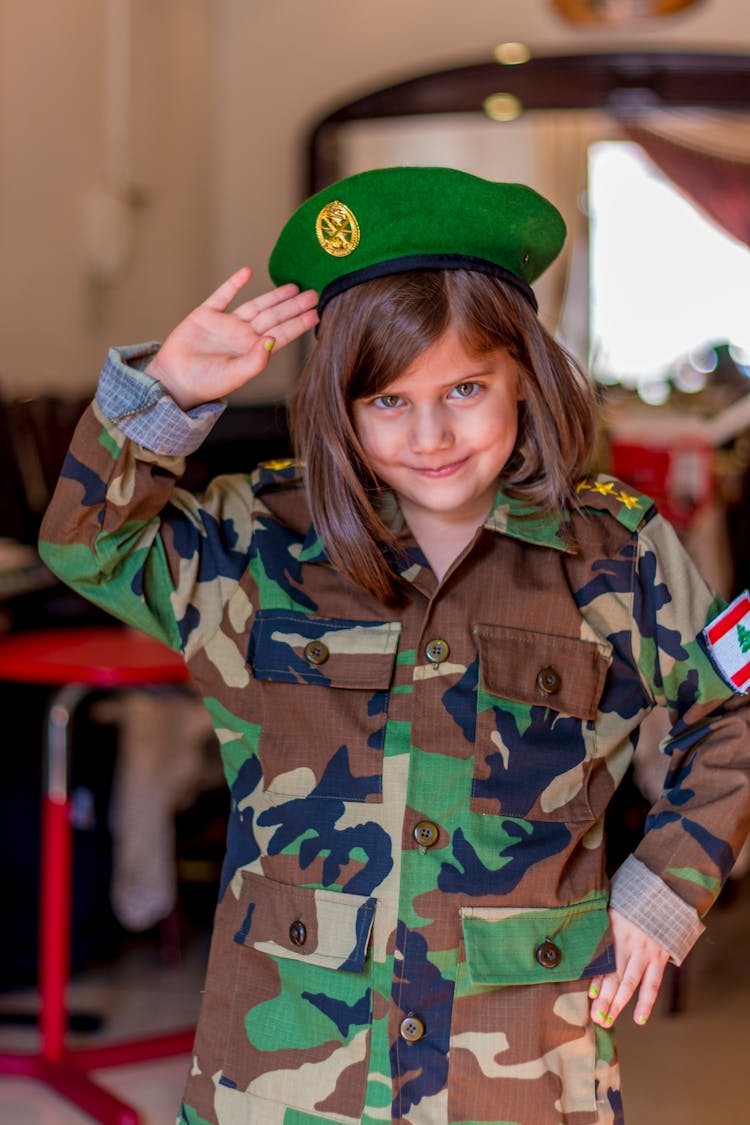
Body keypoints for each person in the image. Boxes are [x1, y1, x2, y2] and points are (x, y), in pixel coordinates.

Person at [39, 166, 750, 1125]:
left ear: (526, 378)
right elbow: (87, 542)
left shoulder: (617, 555)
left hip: (520, 1071)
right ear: (341, 402)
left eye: (465, 387)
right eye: (387, 401)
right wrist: (166, 392)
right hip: (283, 1081)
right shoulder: (257, 545)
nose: (431, 435)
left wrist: (665, 887)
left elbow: (734, 711)